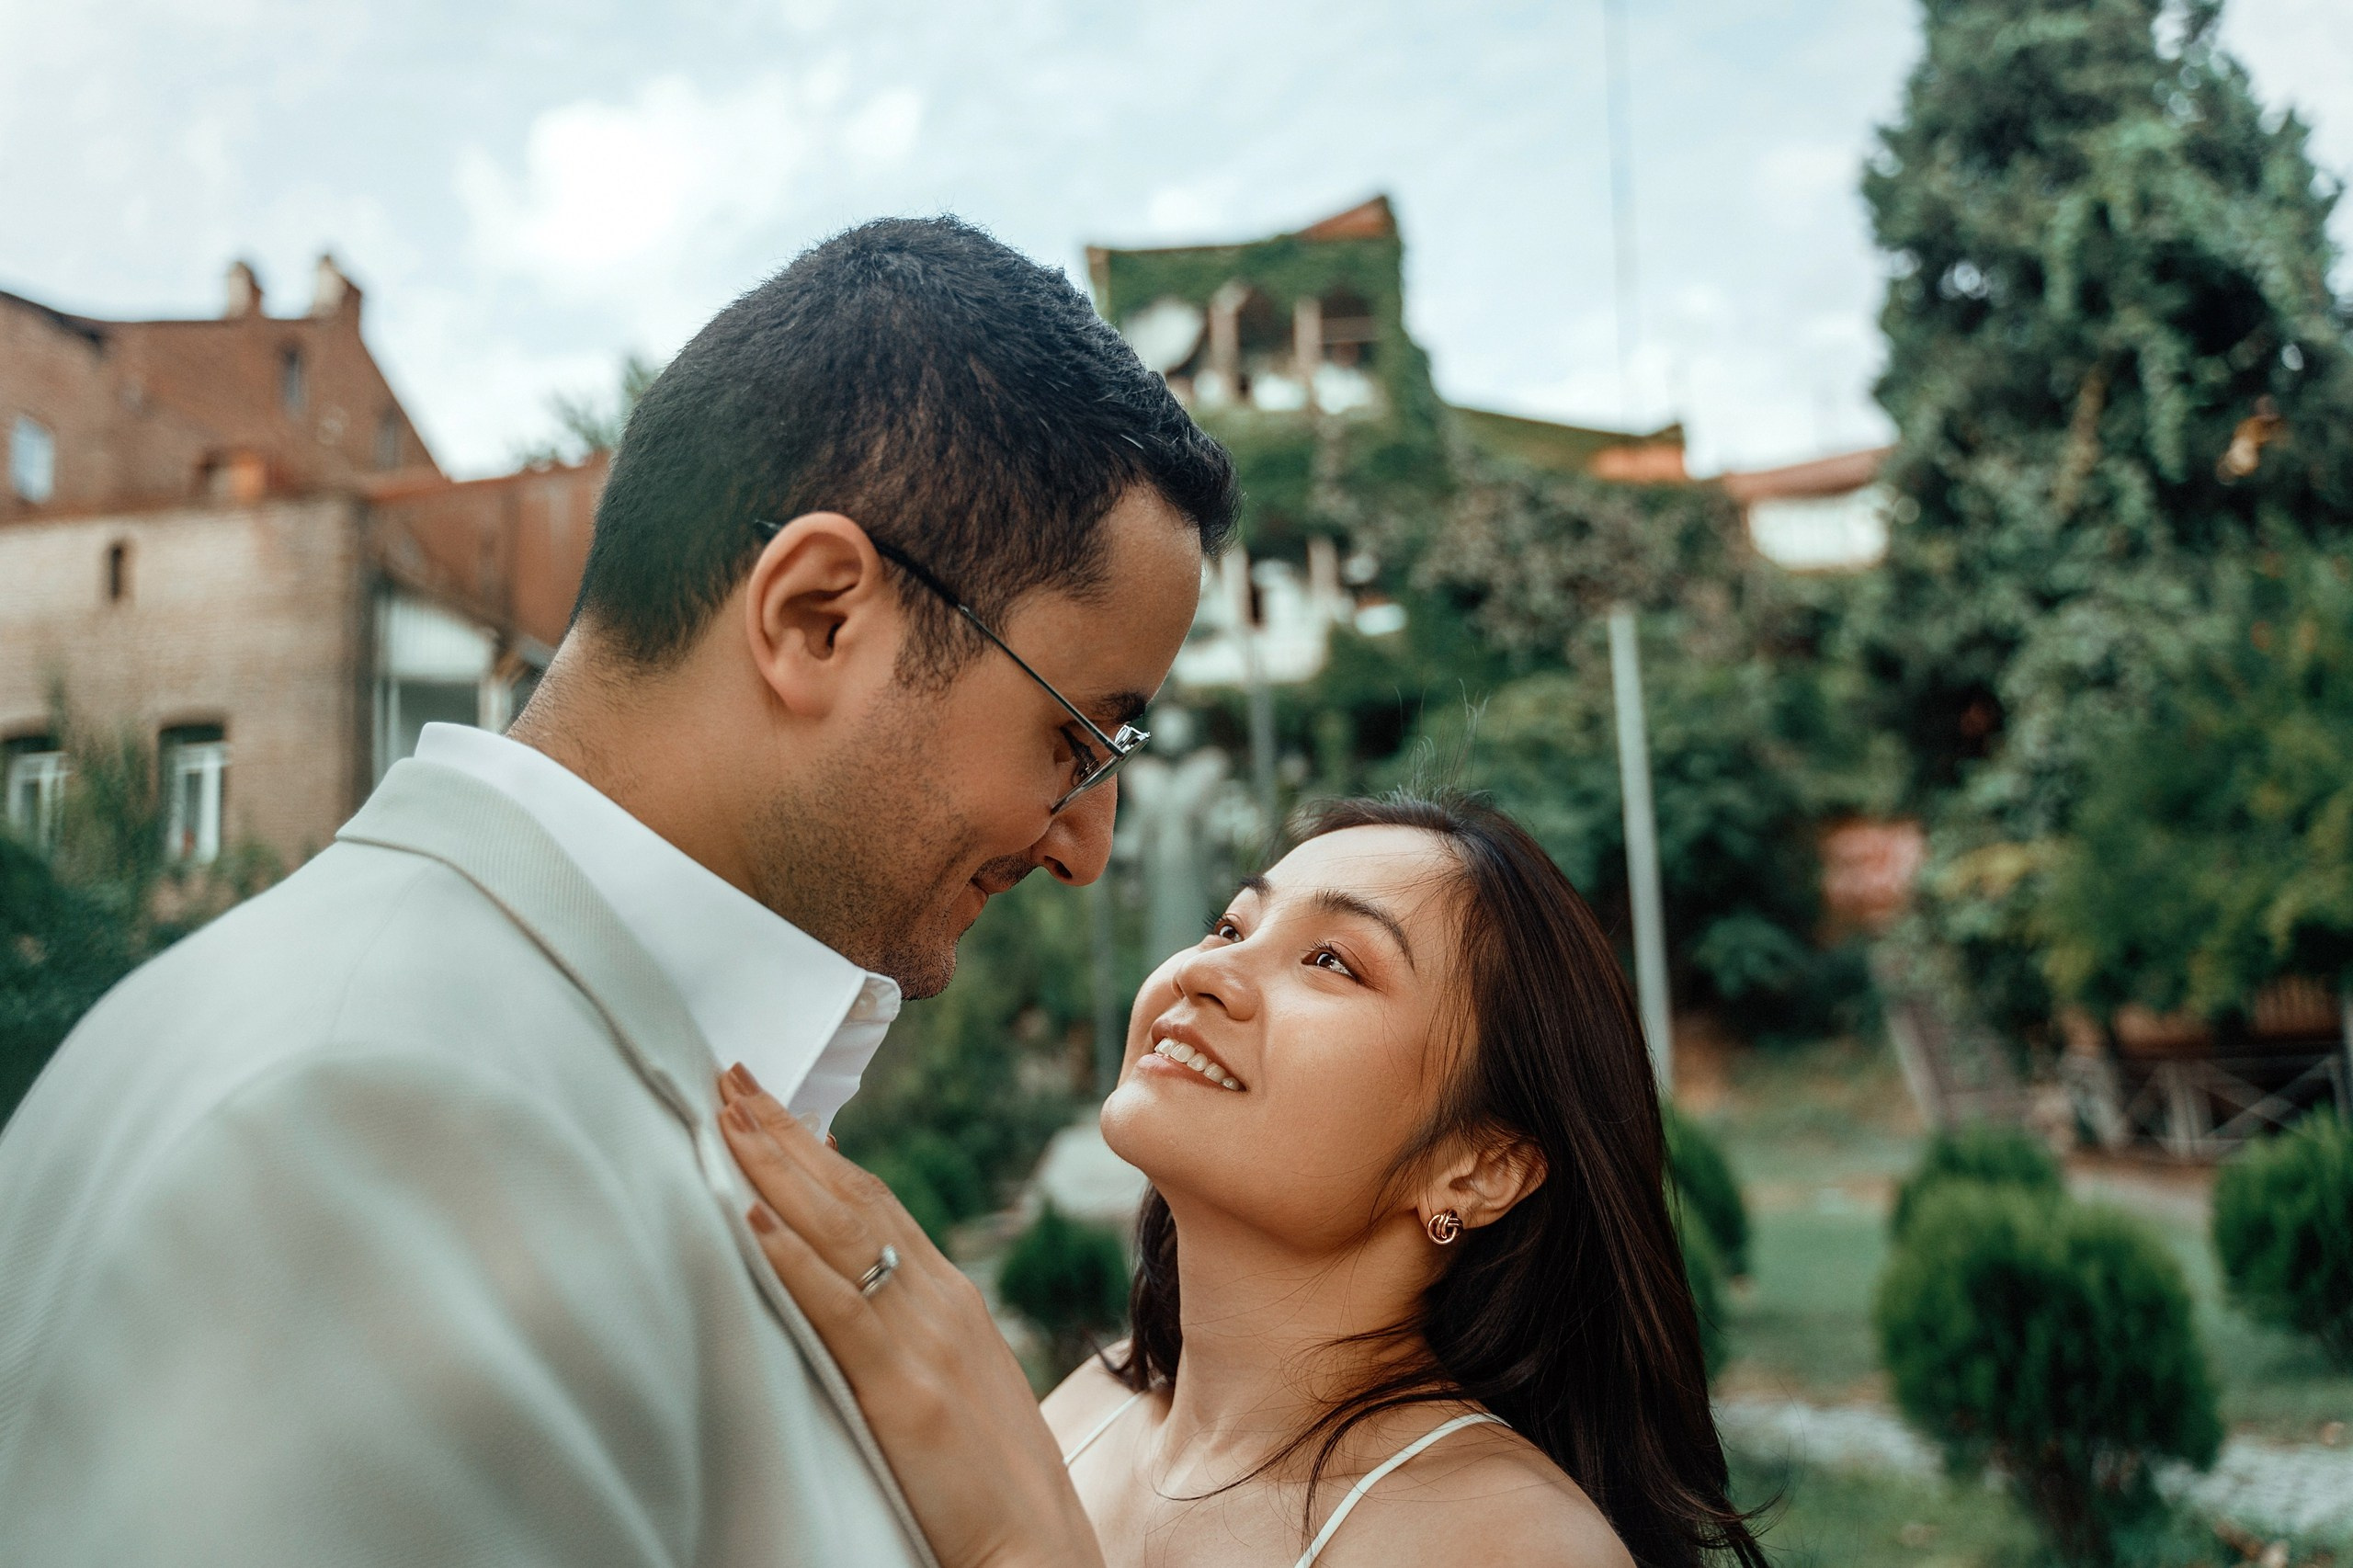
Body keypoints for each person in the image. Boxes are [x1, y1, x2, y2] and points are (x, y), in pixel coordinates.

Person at [0, 217, 1233, 1566]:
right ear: (816, 616)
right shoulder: (385, 1124)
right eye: (1073, 738)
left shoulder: (512, 1067)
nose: (1086, 845)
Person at [718, 791, 1770, 1568]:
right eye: (1231, 925)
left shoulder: (1510, 1542)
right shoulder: (1091, 1406)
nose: (1204, 970)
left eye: (1333, 963)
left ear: (1480, 1164)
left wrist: (1015, 1538)